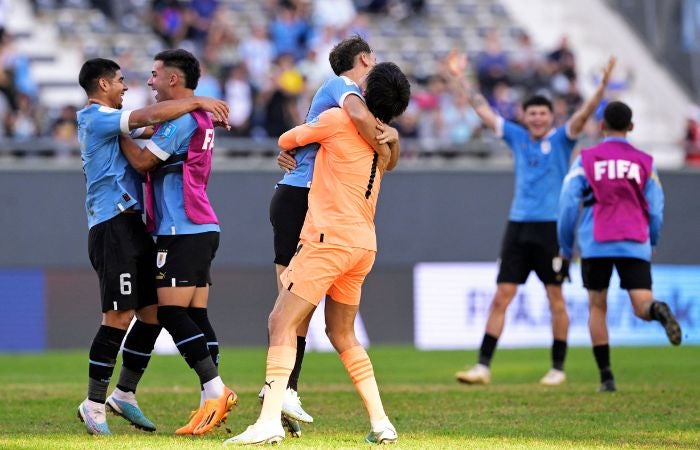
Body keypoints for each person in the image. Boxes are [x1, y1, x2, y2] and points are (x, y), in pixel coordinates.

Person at [224, 61, 410, 446]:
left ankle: (269, 420)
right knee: (342, 333)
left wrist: (293, 149)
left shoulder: (337, 119)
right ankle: (381, 422)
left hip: (328, 239)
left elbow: (286, 139)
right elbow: (390, 158)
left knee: (280, 322)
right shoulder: (386, 141)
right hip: (363, 244)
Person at [76, 57, 229, 435]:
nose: (128, 86)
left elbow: (150, 133)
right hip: (112, 226)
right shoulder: (95, 117)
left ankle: (124, 393)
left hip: (138, 227)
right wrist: (197, 102)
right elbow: (146, 122)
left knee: (153, 313)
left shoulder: (123, 122)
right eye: (120, 81)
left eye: (149, 76)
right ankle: (94, 403)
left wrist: (192, 106)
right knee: (117, 316)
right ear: (101, 85)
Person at [446, 50, 617, 386]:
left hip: (551, 229)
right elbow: (482, 109)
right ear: (524, 116)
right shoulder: (516, 135)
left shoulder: (562, 139)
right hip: (518, 226)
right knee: (501, 296)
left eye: (543, 113)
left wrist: (601, 88)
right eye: (532, 113)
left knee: (556, 298)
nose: (537, 118)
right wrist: (459, 78)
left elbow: (583, 115)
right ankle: (482, 366)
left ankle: (557, 368)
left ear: (552, 117)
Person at [265, 35, 400, 437]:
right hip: (302, 196)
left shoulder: (357, 105)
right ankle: (283, 393)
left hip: (313, 202)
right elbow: (362, 125)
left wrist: (392, 140)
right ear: (363, 59)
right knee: (289, 307)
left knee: (295, 310)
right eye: (373, 59)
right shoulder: (342, 88)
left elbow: (385, 154)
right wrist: (388, 136)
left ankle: (285, 394)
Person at [118, 48, 234, 435]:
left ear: (172, 79)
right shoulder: (197, 115)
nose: (149, 82)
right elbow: (154, 133)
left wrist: (113, 135)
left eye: (154, 74)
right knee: (196, 315)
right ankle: (208, 403)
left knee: (168, 312)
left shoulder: (182, 119)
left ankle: (215, 390)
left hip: (179, 229)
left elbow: (143, 162)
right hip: (201, 226)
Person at [558, 100, 682, 392]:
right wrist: (651, 238)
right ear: (632, 127)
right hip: (634, 241)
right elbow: (656, 210)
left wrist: (565, 247)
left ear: (601, 126)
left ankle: (606, 376)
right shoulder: (645, 163)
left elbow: (567, 203)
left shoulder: (586, 159)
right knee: (641, 305)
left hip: (597, 241)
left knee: (597, 307)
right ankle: (658, 309)